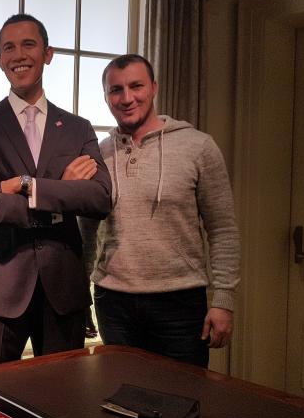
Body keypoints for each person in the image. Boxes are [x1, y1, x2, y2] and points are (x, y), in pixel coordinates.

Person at [0, 14, 112, 368]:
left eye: (28, 44)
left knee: (62, 395)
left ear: (48, 53)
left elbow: (100, 198)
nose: (18, 55)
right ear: (0, 60)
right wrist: (63, 192)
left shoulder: (77, 128)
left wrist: (26, 185)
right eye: (8, 48)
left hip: (64, 286)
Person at [79, 54, 240, 367]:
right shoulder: (99, 154)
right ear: (106, 97)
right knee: (121, 393)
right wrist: (81, 294)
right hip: (113, 302)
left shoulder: (198, 147)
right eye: (116, 90)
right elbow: (85, 233)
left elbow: (223, 229)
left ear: (153, 87)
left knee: (181, 394)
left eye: (136, 86)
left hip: (180, 302)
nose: (127, 98)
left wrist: (223, 300)